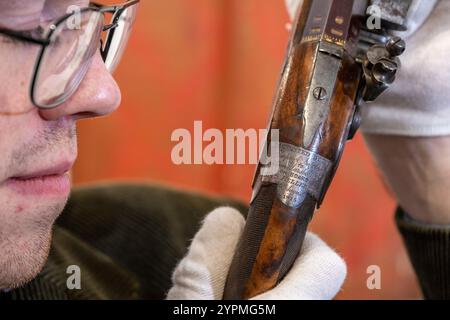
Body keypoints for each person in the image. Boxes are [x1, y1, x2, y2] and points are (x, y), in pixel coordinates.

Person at [0, 0, 446, 300]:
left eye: (84, 23)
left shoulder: (163, 241)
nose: (100, 93)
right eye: (31, 27)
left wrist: (422, 145)